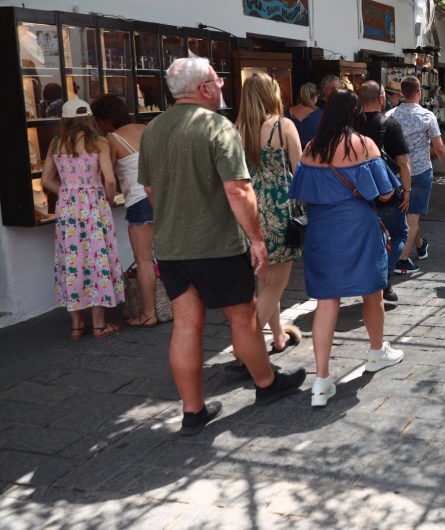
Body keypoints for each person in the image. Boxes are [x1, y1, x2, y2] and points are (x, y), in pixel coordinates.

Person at [138, 57, 305, 436]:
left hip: (170, 245)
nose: (222, 87)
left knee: (186, 323)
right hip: (216, 243)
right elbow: (238, 189)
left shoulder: (153, 130)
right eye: (217, 81)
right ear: (203, 89)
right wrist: (257, 239)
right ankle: (266, 383)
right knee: (241, 317)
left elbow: (149, 190)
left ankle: (193, 410)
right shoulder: (217, 127)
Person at [289, 90, 405, 408]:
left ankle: (322, 381)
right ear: (354, 113)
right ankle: (376, 352)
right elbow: (384, 195)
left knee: (327, 305)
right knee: (372, 293)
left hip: (321, 232)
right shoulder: (363, 145)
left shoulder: (311, 149)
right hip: (358, 228)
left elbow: (301, 193)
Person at [41, 99, 125, 340]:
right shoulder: (99, 142)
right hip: (94, 207)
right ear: (89, 118)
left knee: (72, 259)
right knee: (96, 258)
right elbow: (109, 179)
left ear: (64, 120)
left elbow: (47, 180)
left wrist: (68, 193)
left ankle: (77, 325)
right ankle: (99, 324)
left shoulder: (57, 143)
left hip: (67, 209)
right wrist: (106, 199)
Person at [236, 74, 303, 354]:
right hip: (279, 207)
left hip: (250, 208)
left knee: (264, 281)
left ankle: (278, 337)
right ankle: (245, 348)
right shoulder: (283, 126)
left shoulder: (236, 129)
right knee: (277, 282)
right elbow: (301, 172)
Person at [91, 95, 158, 327]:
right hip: (165, 198)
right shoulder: (148, 128)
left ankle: (148, 313)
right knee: (169, 257)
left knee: (144, 261)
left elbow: (108, 178)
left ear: (105, 120)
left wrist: (108, 198)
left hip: (140, 202)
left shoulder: (112, 139)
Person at [387, 75, 445, 274]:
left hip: (397, 172)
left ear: (401, 93)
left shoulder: (391, 114)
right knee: (413, 215)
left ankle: (420, 245)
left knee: (408, 213)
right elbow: (440, 147)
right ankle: (402, 259)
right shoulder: (427, 116)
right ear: (419, 92)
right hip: (420, 170)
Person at [357, 80, 411, 302]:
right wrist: (407, 191)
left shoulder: (351, 126)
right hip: (386, 191)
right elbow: (403, 162)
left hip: (359, 192)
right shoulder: (390, 125)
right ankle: (383, 278)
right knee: (399, 233)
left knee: (367, 238)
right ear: (381, 99)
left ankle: (372, 277)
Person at [286, 81, 323, 149]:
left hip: (291, 154)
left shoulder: (287, 112)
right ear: (314, 96)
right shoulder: (321, 114)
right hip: (312, 155)